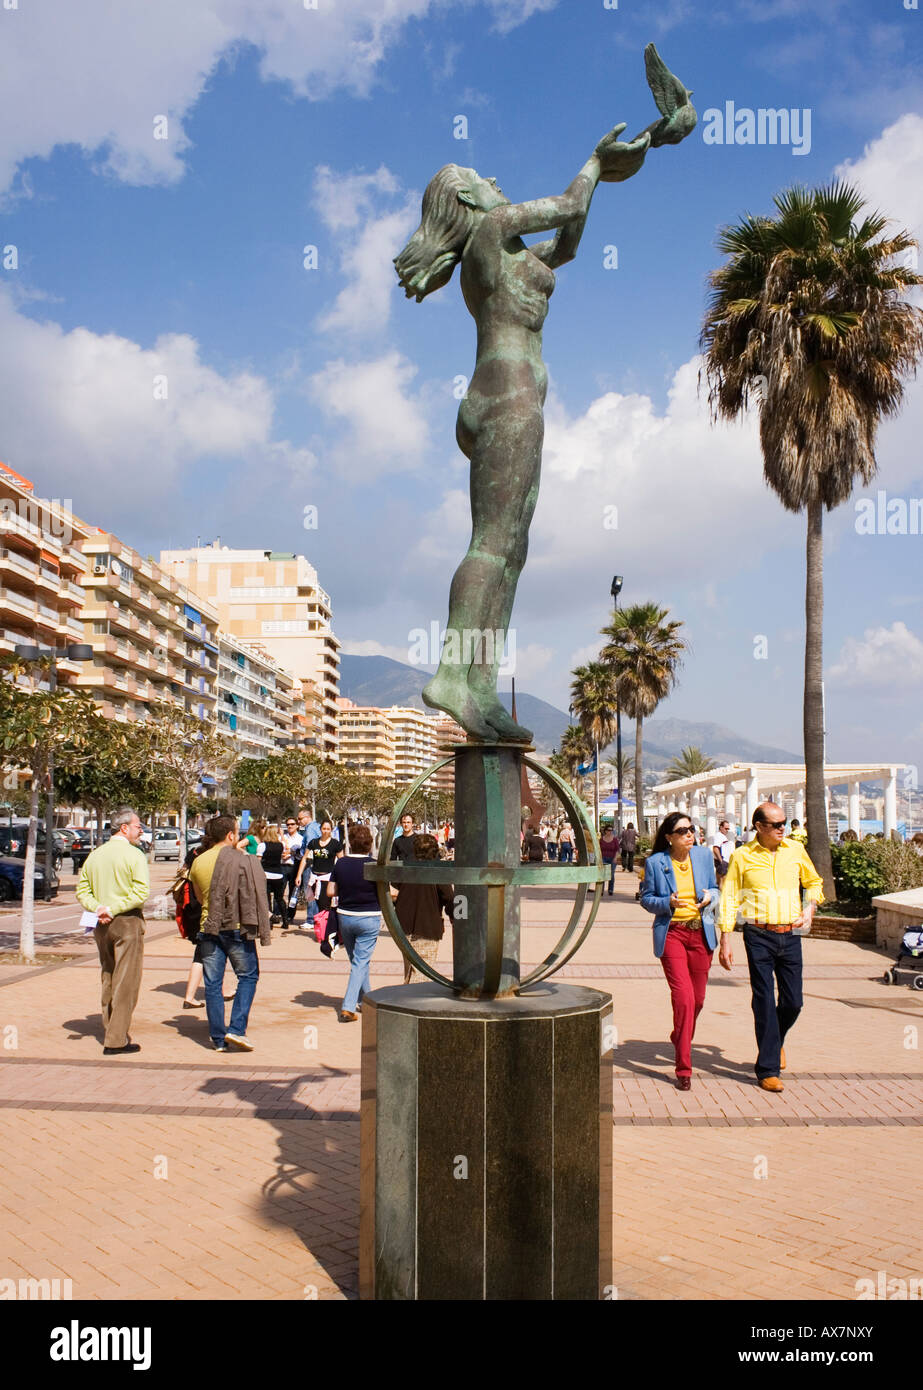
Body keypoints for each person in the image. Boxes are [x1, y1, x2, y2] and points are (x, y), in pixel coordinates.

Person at [394, 106, 662, 742]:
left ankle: (480, 687)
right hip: (504, 397)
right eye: (484, 178)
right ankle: (452, 676)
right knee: (491, 544)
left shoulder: (507, 254)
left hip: (516, 401)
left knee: (511, 551)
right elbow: (566, 209)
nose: (496, 181)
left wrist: (604, 178)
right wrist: (596, 164)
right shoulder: (491, 233)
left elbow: (566, 243)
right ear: (467, 196)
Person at [717, 802, 824, 1093]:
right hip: (757, 934)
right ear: (760, 827)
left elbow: (814, 882)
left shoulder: (795, 851)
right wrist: (725, 938)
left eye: (784, 823)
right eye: (776, 825)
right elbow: (729, 898)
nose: (782, 829)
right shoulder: (742, 856)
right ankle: (767, 1069)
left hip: (790, 935)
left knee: (793, 1002)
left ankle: (775, 1042)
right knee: (763, 998)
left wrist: (810, 907)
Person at [640, 811, 720, 1090]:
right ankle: (683, 1068)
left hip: (701, 932)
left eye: (692, 829)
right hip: (672, 933)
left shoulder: (703, 856)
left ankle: (679, 1035)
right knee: (684, 999)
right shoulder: (655, 863)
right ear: (669, 837)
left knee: (697, 1000)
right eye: (683, 831)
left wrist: (711, 896)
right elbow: (647, 899)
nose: (690, 834)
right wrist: (668, 903)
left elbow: (714, 889)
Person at [189, 815, 271, 1051]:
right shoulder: (242, 860)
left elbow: (201, 898)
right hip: (235, 927)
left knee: (213, 984)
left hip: (208, 926)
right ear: (230, 836)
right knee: (248, 976)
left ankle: (217, 1039)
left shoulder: (199, 861)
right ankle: (236, 1029)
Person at [77, 806, 150, 1055]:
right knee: (127, 981)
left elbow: (82, 889)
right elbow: (141, 891)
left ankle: (111, 1027)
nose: (141, 830)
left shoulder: (96, 855)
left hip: (100, 923)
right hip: (126, 921)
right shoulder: (135, 855)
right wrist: (114, 908)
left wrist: (98, 908)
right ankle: (117, 1039)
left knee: (108, 975)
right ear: (124, 827)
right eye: (138, 826)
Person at [328, 824, 382, 1022]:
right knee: (360, 963)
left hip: (346, 916)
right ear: (369, 844)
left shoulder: (341, 864)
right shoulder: (374, 865)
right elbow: (388, 893)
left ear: (350, 843)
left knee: (359, 963)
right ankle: (348, 1007)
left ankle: (367, 1000)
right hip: (369, 917)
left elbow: (330, 892)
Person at [393, 833, 455, 983]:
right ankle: (409, 1004)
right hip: (427, 927)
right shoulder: (437, 871)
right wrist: (458, 917)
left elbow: (394, 892)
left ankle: (404, 1001)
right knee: (421, 975)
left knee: (410, 971)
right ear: (435, 851)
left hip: (402, 926)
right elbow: (450, 898)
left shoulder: (406, 867)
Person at [295, 818, 342, 912]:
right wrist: (299, 875)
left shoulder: (335, 844)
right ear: (320, 829)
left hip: (327, 878)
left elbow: (341, 860)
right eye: (324, 828)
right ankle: (318, 923)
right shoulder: (314, 842)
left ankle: (325, 924)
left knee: (325, 904)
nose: (325, 831)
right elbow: (304, 858)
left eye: (328, 829)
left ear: (331, 830)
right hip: (315, 877)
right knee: (316, 903)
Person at [261, 826, 290, 927]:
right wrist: (282, 835)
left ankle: (270, 921)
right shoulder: (280, 845)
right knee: (279, 898)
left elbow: (258, 860)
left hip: (266, 874)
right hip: (278, 874)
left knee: (267, 899)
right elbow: (287, 846)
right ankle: (285, 921)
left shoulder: (262, 845)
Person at [711, 818, 734, 886]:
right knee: (722, 881)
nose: (727, 830)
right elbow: (715, 848)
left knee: (722, 881)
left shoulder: (722, 836)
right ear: (721, 827)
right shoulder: (719, 836)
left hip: (724, 861)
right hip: (722, 861)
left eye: (728, 829)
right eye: (725, 828)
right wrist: (721, 860)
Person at [599, 824, 620, 895]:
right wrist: (599, 858)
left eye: (611, 830)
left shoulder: (615, 839)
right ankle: (601, 890)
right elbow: (599, 849)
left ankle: (610, 890)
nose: (610, 832)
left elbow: (617, 850)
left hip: (612, 858)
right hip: (603, 858)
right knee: (603, 874)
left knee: (611, 874)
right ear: (605, 831)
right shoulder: (601, 839)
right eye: (608, 830)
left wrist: (615, 858)